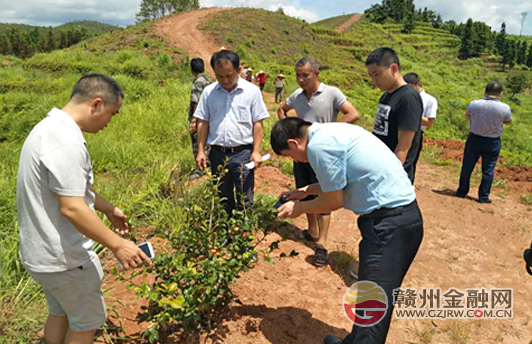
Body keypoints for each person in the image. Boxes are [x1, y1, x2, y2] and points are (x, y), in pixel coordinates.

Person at [16, 73, 151, 344]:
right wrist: (118, 244)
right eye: (113, 113)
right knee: (86, 323)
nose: (110, 122)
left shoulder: (47, 129)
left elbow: (69, 191)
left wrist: (108, 208)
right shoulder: (66, 142)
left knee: (61, 312)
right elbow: (73, 209)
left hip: (41, 255)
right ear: (96, 104)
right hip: (65, 260)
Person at [271, 117, 423, 344]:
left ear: (293, 144)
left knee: (374, 302)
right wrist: (305, 190)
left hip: (391, 224)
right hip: (395, 220)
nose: (296, 160)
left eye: (289, 155)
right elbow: (340, 179)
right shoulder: (330, 132)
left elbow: (334, 201)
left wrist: (299, 208)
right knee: (369, 293)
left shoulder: (318, 147)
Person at [277, 56, 360, 268]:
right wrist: (285, 126)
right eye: (297, 75)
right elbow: (282, 108)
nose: (301, 79)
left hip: (323, 156)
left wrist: (329, 131)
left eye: (305, 75)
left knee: (325, 196)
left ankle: (322, 244)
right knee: (304, 192)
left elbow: (353, 113)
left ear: (316, 74)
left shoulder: (332, 93)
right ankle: (312, 231)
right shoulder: (297, 96)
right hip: (302, 154)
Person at [194, 50, 270, 215]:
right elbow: (203, 122)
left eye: (229, 75)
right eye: (220, 76)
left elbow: (258, 123)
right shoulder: (209, 92)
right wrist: (201, 150)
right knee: (223, 197)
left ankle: (243, 235)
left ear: (239, 69)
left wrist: (256, 151)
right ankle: (226, 236)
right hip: (217, 154)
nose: (225, 80)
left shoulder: (251, 91)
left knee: (245, 198)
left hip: (243, 153)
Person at [366, 48, 423, 183]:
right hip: (380, 169)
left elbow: (403, 147)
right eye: (371, 76)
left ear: (393, 68)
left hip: (394, 177)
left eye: (377, 74)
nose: (374, 80)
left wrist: (389, 177)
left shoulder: (408, 98)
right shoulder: (386, 96)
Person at [456, 80, 512, 204]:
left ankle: (462, 191)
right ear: (500, 94)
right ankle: (483, 196)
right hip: (492, 142)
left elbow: (467, 116)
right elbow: (508, 121)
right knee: (488, 169)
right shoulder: (505, 108)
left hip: (474, 138)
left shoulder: (474, 104)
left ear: (485, 92)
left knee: (467, 166)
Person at [404, 72, 438, 179]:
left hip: (416, 133)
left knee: (410, 163)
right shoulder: (403, 95)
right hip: (400, 130)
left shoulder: (430, 100)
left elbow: (429, 122)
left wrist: (411, 115)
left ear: (418, 84)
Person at [188, 58, 212, 180]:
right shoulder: (209, 80)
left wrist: (193, 121)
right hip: (209, 118)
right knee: (207, 143)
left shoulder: (198, 82)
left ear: (192, 70)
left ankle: (200, 169)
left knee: (198, 144)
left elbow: (197, 102)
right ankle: (207, 166)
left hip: (199, 119)